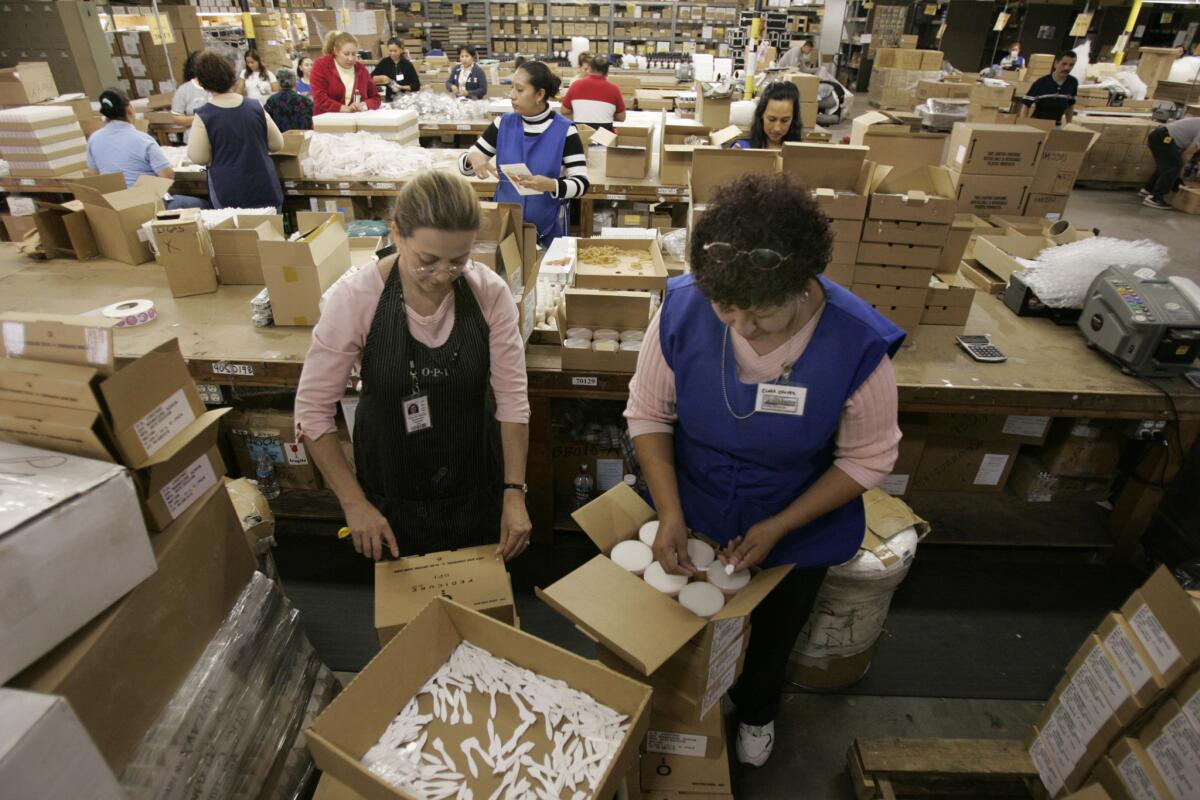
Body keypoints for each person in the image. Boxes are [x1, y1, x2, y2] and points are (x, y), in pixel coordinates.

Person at [625, 172, 902, 769]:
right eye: (726, 310)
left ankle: (756, 710)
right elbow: (648, 413)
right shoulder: (682, 307)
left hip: (795, 510)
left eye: (764, 316)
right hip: (694, 496)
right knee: (686, 617)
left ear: (804, 284)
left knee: (775, 628)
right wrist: (670, 512)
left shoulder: (856, 343)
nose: (742, 329)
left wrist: (781, 526)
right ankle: (684, 707)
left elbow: (868, 457)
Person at [294, 170, 532, 562]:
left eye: (459, 260)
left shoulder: (489, 292)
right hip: (390, 487)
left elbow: (512, 400)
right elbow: (312, 412)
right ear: (397, 234)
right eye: (427, 261)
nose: (442, 275)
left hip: (475, 481)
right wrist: (354, 503)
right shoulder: (356, 299)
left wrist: (514, 491)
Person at [459, 61, 589, 246]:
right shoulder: (503, 124)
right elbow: (467, 168)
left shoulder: (565, 131)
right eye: (512, 88)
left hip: (548, 231)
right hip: (505, 229)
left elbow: (582, 184)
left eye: (519, 90)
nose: (512, 96)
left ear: (540, 94)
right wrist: (471, 157)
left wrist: (552, 185)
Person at [187, 50, 283, 210]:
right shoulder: (255, 107)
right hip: (264, 184)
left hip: (229, 190)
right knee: (272, 232)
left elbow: (199, 157)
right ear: (232, 75)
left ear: (202, 83)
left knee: (237, 234)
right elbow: (277, 144)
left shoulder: (204, 115)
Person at [88, 88, 207, 210]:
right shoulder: (142, 139)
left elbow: (95, 177)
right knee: (206, 204)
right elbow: (167, 175)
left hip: (115, 206)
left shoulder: (94, 139)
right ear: (129, 109)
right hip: (147, 206)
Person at [309, 30, 382, 116]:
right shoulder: (321, 66)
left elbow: (376, 98)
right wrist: (344, 109)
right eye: (346, 54)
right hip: (327, 122)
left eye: (354, 54)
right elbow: (319, 98)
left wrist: (364, 104)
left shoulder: (361, 69)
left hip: (355, 121)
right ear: (336, 51)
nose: (351, 58)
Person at [1140, 116, 1200, 210]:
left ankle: (1148, 189)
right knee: (1174, 166)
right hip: (1164, 138)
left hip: (1159, 135)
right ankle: (1155, 198)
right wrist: (1181, 173)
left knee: (1167, 165)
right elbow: (1188, 152)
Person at [561, 55, 626, 129]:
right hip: (604, 136)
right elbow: (621, 117)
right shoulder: (614, 89)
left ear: (590, 69)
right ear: (607, 71)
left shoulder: (576, 85)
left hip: (580, 134)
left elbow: (564, 111)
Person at [733, 80, 803, 149]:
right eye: (772, 119)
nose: (777, 129)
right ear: (761, 114)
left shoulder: (800, 152)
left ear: (793, 119)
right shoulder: (743, 148)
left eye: (784, 120)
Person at [1020, 50, 1078, 125]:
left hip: (1056, 126)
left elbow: (1070, 105)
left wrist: (1069, 124)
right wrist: (1023, 125)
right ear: (1056, 64)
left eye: (1071, 65)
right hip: (1037, 124)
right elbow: (1026, 105)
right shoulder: (1041, 82)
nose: (1067, 68)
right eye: (1064, 64)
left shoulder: (1073, 82)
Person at [170, 51, 211, 142]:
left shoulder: (220, 85)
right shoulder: (184, 90)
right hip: (196, 139)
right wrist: (200, 118)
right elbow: (176, 118)